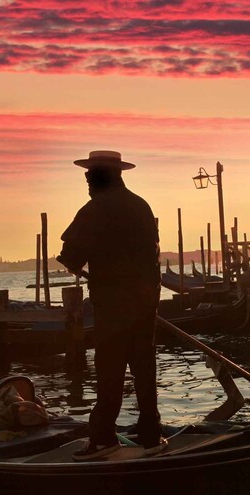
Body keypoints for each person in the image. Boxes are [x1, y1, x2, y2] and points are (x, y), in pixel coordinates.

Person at [57, 150, 164, 461]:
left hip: (113, 305)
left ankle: (103, 438)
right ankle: (150, 434)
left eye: (89, 177)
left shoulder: (94, 209)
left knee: (110, 370)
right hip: (146, 301)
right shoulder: (141, 206)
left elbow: (72, 255)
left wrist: (75, 260)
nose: (87, 182)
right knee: (144, 368)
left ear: (100, 176)